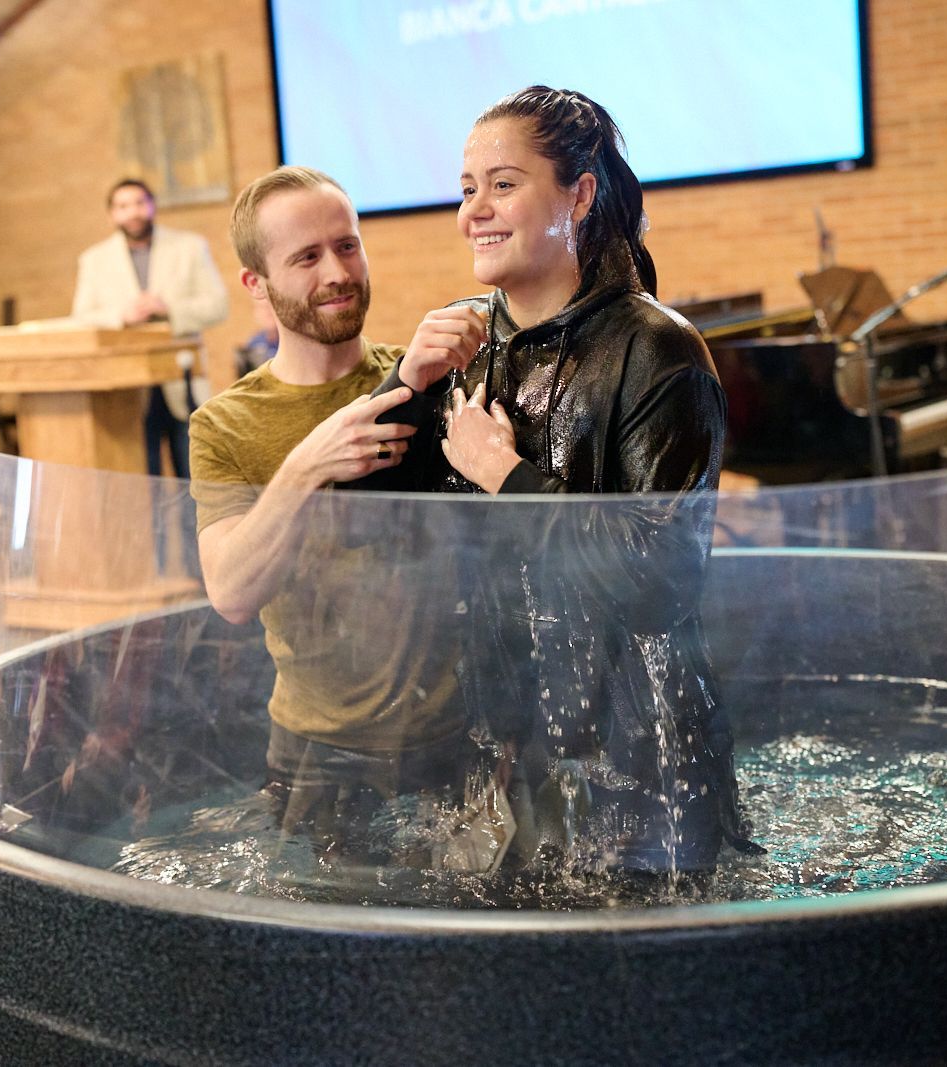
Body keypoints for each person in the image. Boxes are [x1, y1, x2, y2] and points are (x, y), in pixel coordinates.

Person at [373, 86, 760, 872]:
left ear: (579, 194)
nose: (474, 210)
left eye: (504, 184)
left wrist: (506, 477)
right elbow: (364, 532)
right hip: (503, 759)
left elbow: (663, 578)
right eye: (467, 189)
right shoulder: (461, 345)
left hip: (640, 771)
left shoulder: (659, 351)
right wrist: (403, 388)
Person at [188, 166, 488, 865]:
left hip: (456, 734)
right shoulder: (225, 425)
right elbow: (230, 591)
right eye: (306, 257)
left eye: (347, 246)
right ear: (255, 284)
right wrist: (304, 466)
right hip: (318, 754)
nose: (337, 272)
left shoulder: (427, 379)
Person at [70, 178, 229, 481]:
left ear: (152, 205)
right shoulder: (93, 260)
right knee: (142, 482)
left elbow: (218, 305)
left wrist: (169, 309)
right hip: (127, 389)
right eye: (123, 206)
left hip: (181, 380)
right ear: (111, 215)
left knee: (194, 479)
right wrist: (122, 315)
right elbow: (82, 317)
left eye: (140, 203)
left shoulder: (189, 247)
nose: (133, 212)